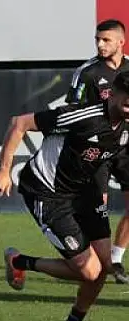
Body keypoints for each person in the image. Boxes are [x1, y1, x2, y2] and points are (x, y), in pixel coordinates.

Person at [0, 71, 129, 321]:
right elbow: (20, 123)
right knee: (90, 271)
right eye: (127, 99)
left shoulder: (125, 128)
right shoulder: (84, 115)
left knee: (105, 266)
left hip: (85, 193)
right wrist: (4, 170)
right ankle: (20, 262)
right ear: (112, 93)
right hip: (47, 192)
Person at [67, 19, 129, 284]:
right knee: (97, 208)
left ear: (121, 42)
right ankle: (91, 261)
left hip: (126, 147)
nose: (101, 45)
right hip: (98, 149)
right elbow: (72, 111)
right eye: (97, 40)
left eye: (106, 40)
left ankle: (116, 259)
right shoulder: (87, 72)